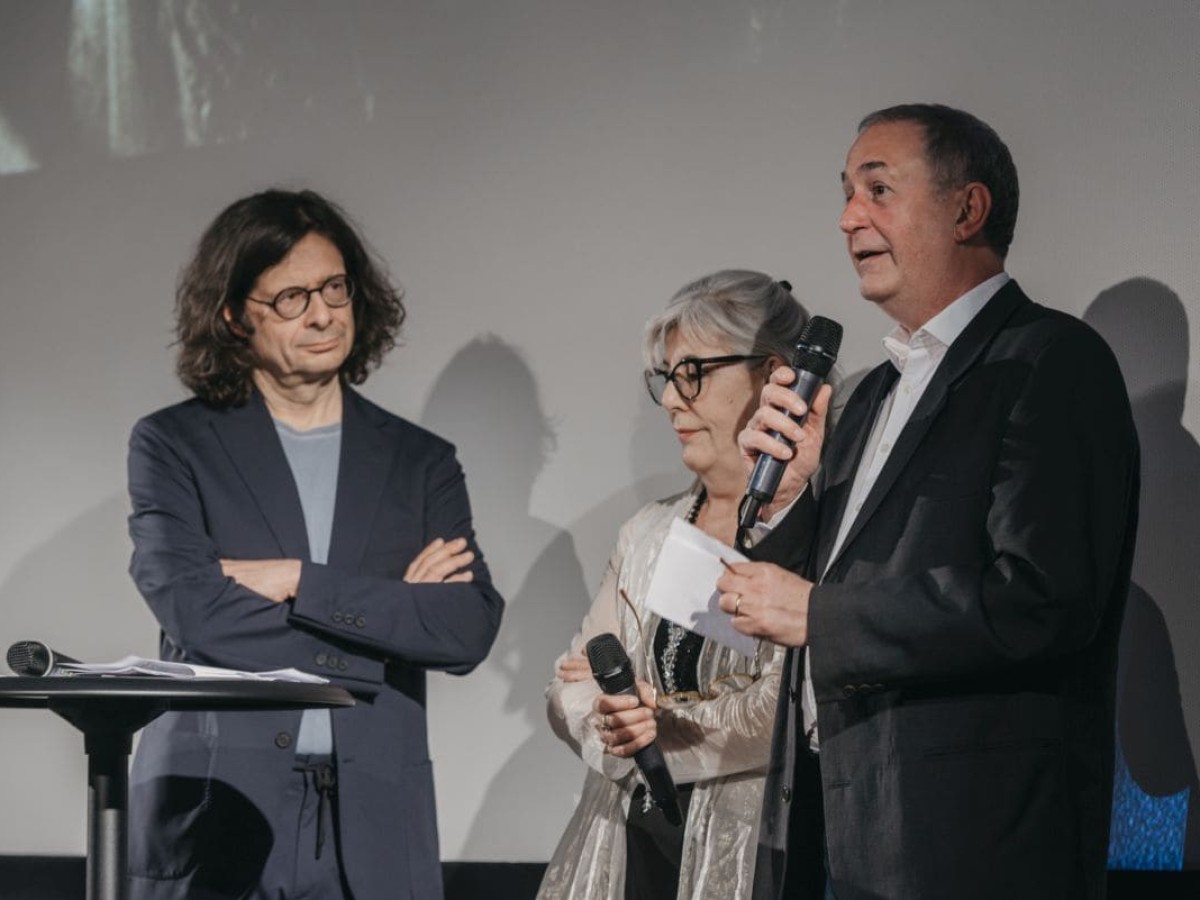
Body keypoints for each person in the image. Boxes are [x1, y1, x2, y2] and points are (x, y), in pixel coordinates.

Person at [719, 104, 1140, 900]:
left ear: (967, 209)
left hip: (979, 845)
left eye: (878, 189)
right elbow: (835, 582)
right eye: (845, 193)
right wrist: (791, 499)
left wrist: (821, 616)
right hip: (851, 826)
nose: (849, 219)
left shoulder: (1051, 361)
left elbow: (1042, 599)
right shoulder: (873, 391)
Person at [125, 189, 504, 900]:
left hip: (375, 820)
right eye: (292, 297)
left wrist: (302, 580)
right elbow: (197, 612)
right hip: (218, 806)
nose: (324, 314)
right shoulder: (174, 444)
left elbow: (466, 627)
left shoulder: (421, 461)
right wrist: (392, 618)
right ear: (235, 314)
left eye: (334, 288)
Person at [537, 271, 823, 900]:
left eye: (693, 374)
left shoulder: (827, 533)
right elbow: (570, 687)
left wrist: (654, 728)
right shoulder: (649, 531)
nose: (671, 400)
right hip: (626, 848)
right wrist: (608, 722)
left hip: (762, 853)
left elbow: (789, 711)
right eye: (667, 377)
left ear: (776, 376)